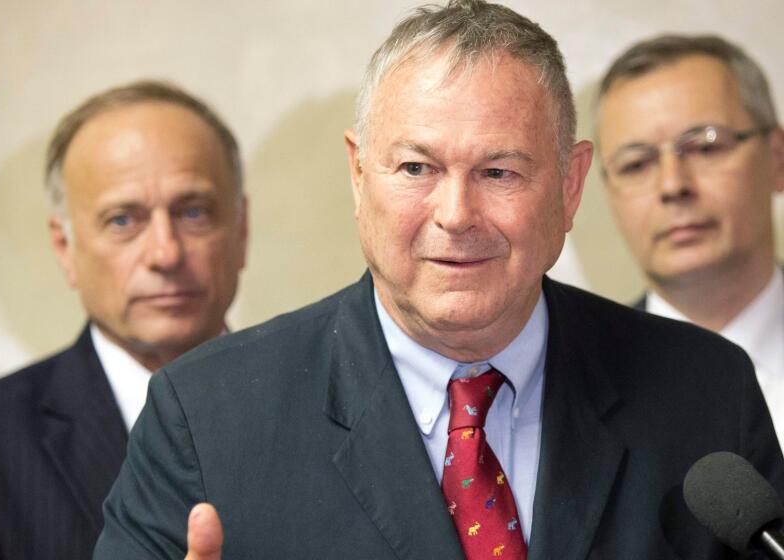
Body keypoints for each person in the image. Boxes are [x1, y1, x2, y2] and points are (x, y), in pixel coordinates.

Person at [95, 3, 783, 559]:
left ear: (570, 187)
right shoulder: (207, 415)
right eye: (416, 169)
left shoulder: (706, 393)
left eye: (499, 172)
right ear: (359, 175)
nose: (456, 216)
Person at [0, 80, 248, 560]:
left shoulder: (327, 403)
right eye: (123, 220)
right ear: (65, 248)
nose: (165, 253)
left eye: (193, 212)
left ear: (241, 230)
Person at [596, 35, 784, 447]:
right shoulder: (571, 394)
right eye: (636, 163)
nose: (672, 185)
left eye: (704, 146)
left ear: (777, 157)